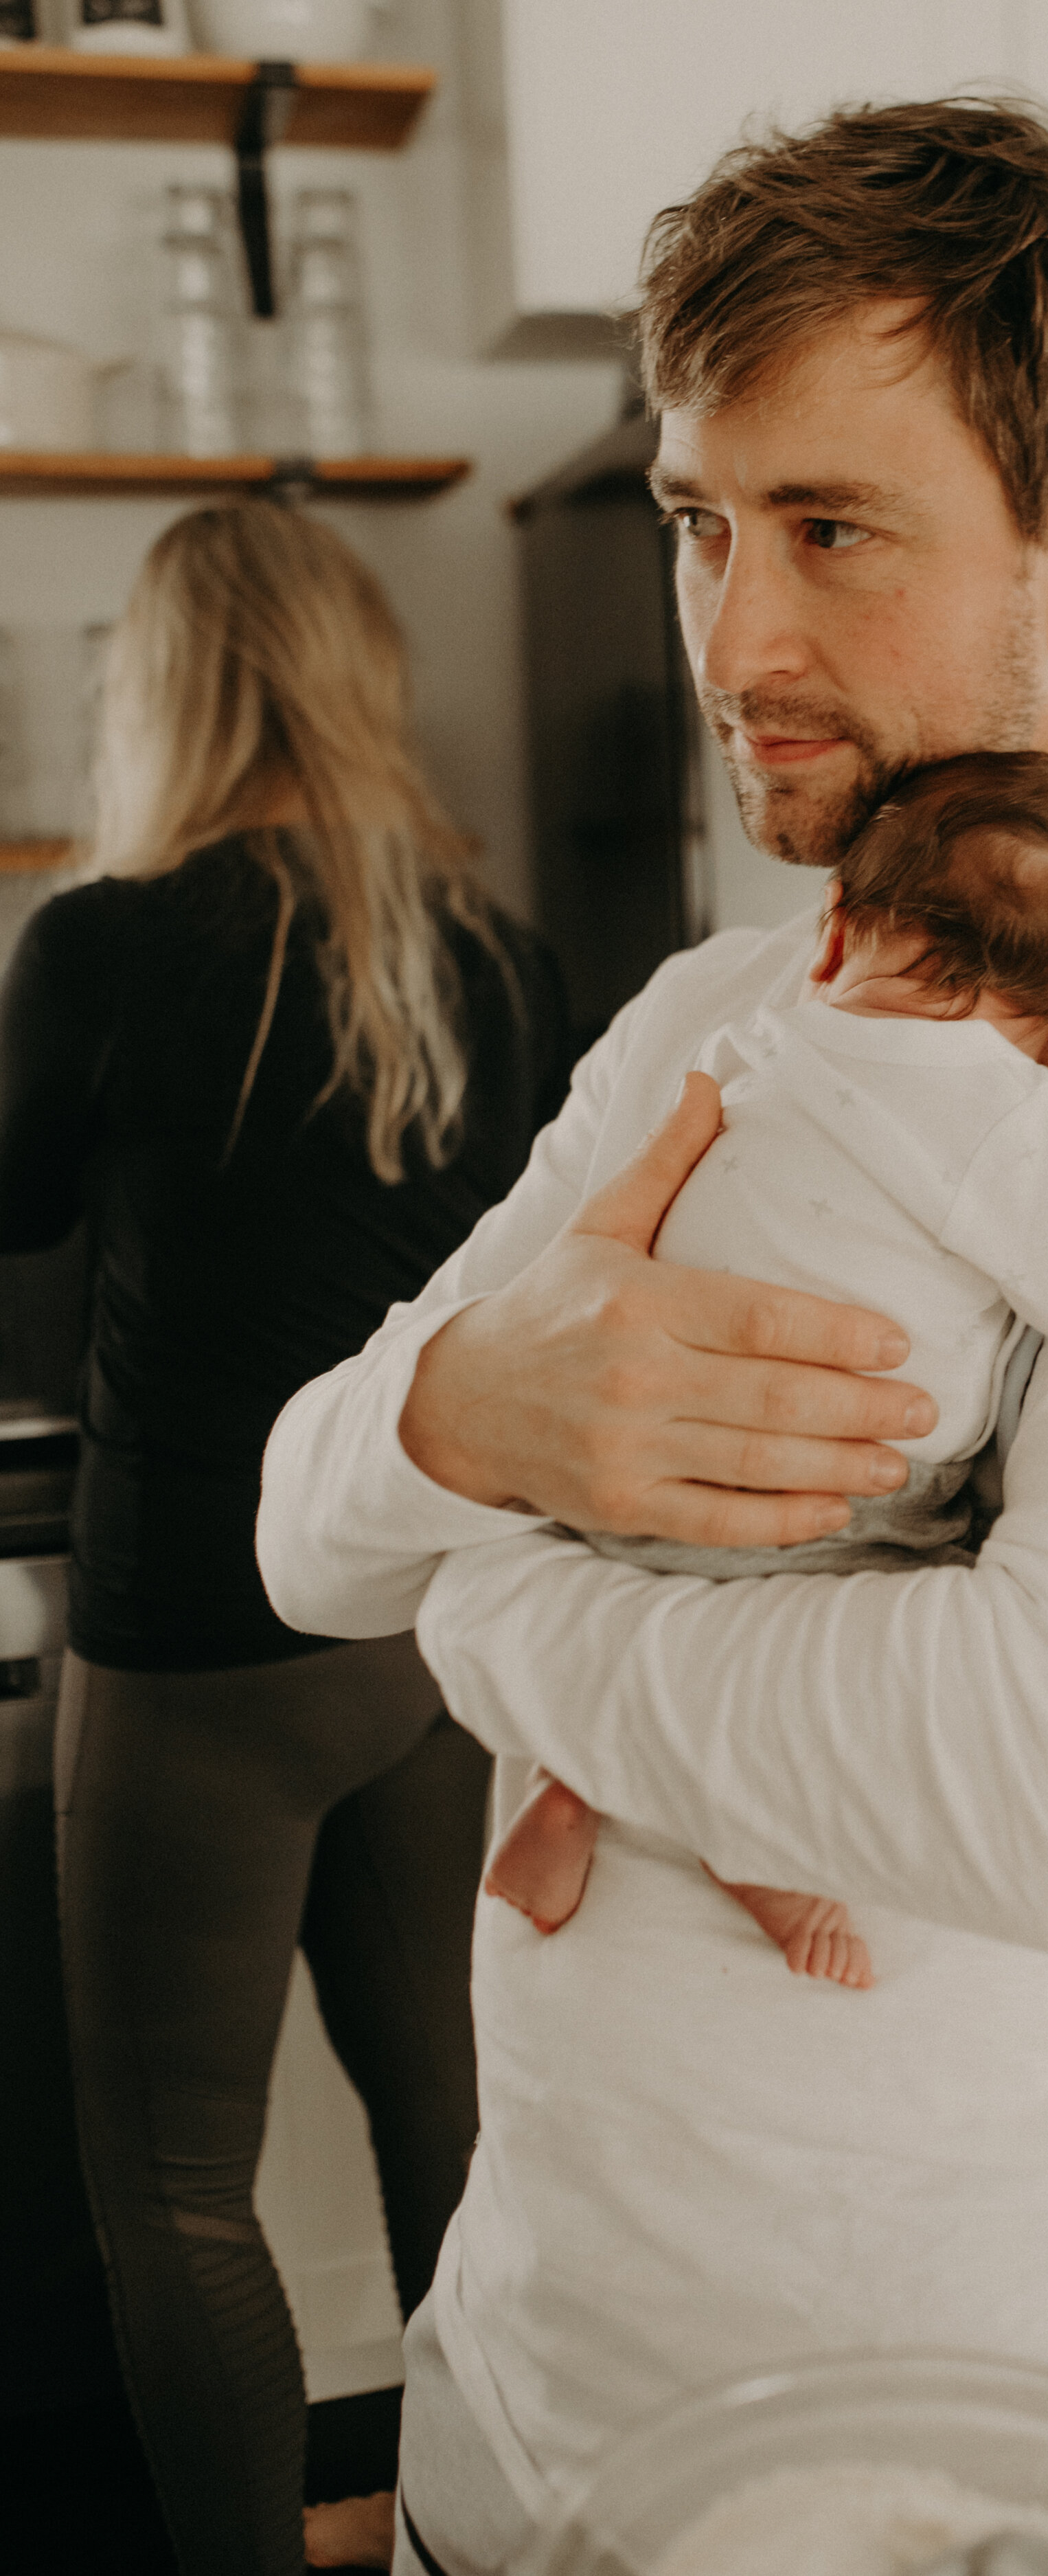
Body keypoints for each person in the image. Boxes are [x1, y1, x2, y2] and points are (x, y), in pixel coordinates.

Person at [255, 99, 1048, 2571]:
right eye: (702, 523)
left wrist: (506, 1593)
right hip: (529, 2409)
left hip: (984, 2455)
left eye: (830, 529)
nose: (732, 641)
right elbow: (304, 1522)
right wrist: (460, 1411)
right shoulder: (740, 996)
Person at [0, 502, 572, 2576]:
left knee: (170, 2185)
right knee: (459, 2128)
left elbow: (14, 1212)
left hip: (202, 1640)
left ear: (162, 689)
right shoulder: (489, 957)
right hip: (428, 1635)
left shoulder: (106, 944)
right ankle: (484, 2548)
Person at [481, 749, 1048, 1985]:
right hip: (837, 1494)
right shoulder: (1012, 1118)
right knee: (840, 1649)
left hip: (636, 1467)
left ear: (837, 932)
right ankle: (757, 1844)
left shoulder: (764, 1037)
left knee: (651, 1613)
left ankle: (569, 1779)